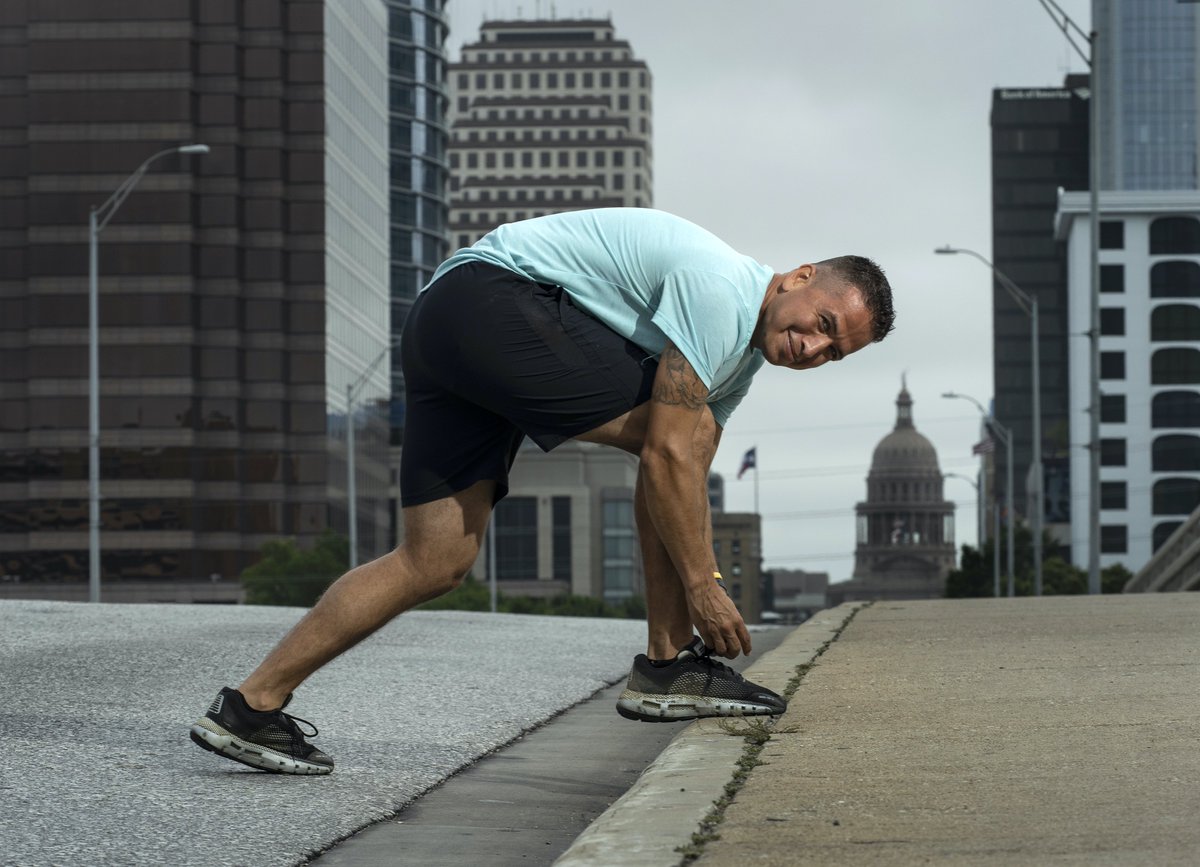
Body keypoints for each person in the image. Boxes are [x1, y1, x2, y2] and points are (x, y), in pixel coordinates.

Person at [190, 207, 895, 775]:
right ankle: (665, 664)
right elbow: (670, 450)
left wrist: (692, 540)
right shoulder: (724, 289)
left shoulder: (741, 361)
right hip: (488, 300)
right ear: (800, 277)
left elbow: (683, 454)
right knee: (672, 440)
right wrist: (705, 585)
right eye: (823, 324)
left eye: (834, 352)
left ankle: (251, 703)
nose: (812, 348)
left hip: (445, 327)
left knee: (435, 561)